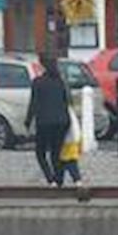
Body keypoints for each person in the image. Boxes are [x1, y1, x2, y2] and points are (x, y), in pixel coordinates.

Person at [24, 54, 71, 187]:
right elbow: (67, 101)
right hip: (62, 121)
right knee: (57, 152)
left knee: (40, 152)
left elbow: (33, 103)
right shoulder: (60, 81)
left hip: (45, 121)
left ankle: (50, 179)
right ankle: (59, 179)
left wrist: (28, 121)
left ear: (42, 66)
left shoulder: (38, 82)